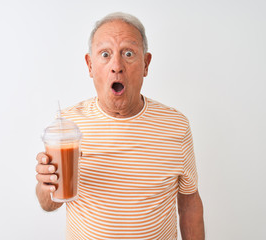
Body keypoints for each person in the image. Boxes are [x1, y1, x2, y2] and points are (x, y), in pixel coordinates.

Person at [36, 12, 205, 240]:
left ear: (146, 64)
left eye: (128, 53)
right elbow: (48, 204)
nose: (117, 65)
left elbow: (189, 202)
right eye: (105, 54)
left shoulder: (176, 126)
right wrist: (47, 183)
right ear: (90, 65)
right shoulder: (67, 127)